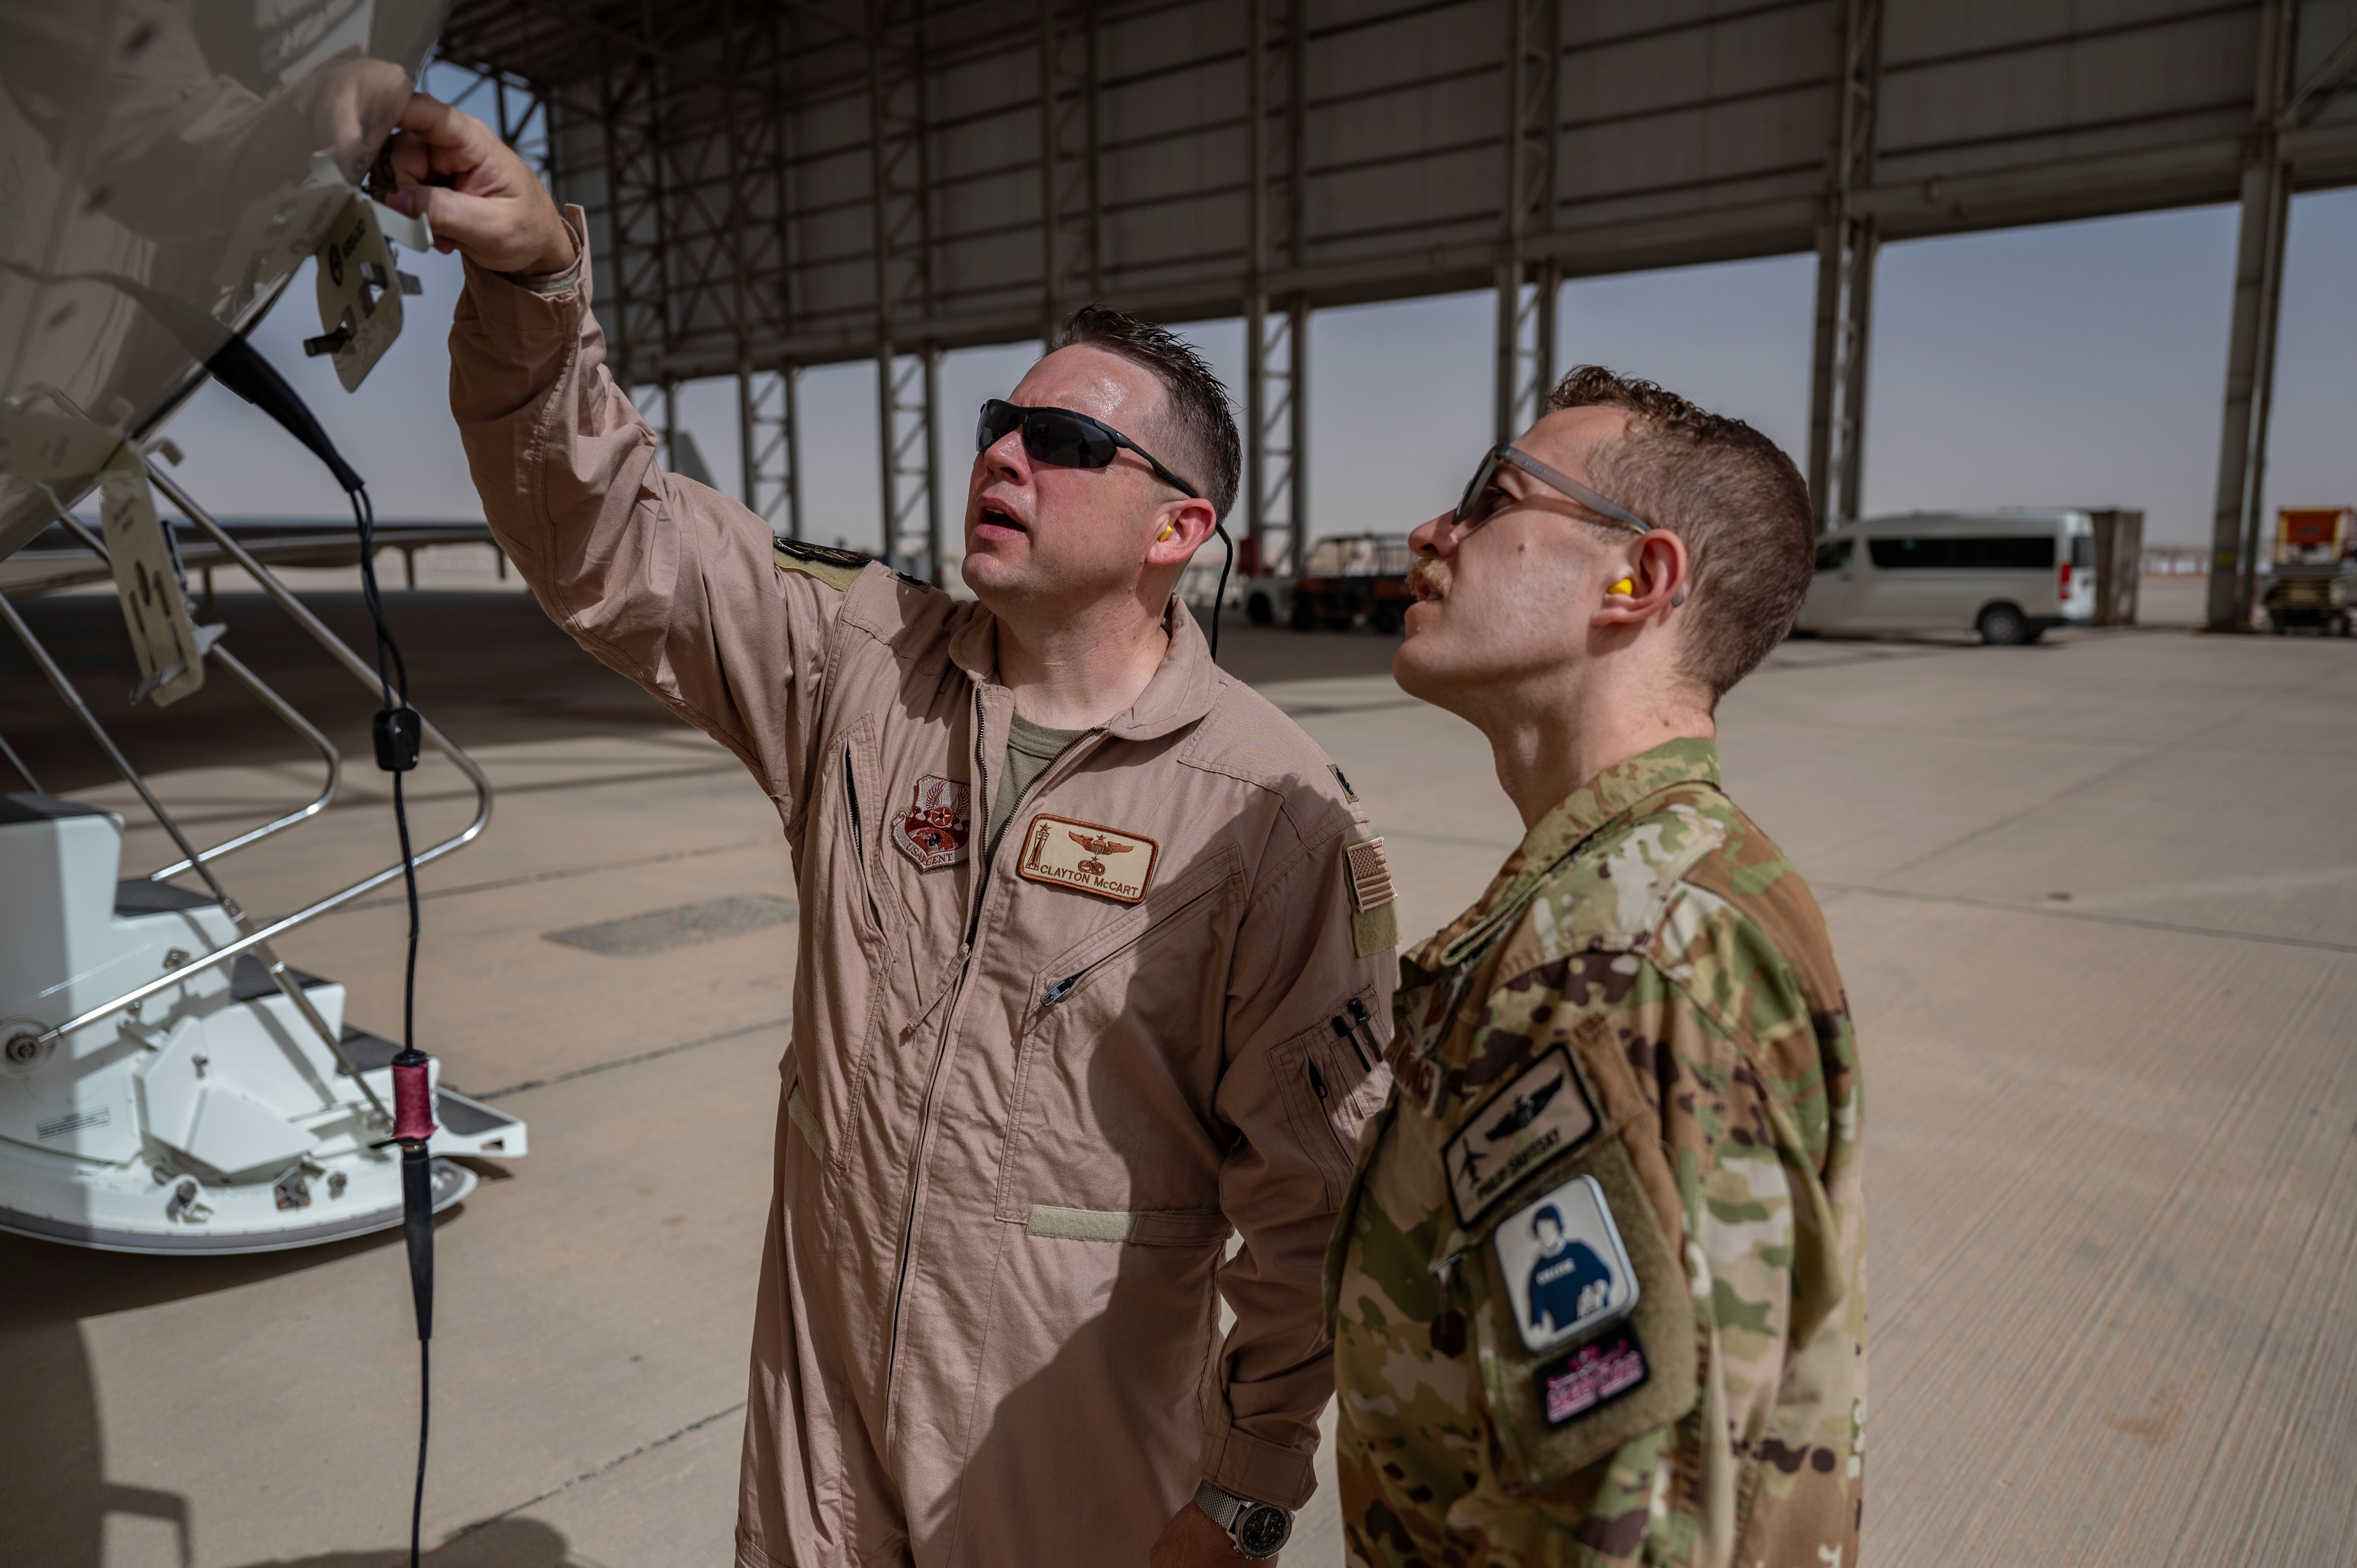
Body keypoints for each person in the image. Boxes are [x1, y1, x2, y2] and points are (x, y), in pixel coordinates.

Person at [384, 94, 1396, 1568]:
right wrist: (538, 285)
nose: (1002, 455)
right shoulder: (860, 666)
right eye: (1001, 424)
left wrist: (1246, 1490)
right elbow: (607, 538)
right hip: (821, 1418)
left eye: (1060, 441)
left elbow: (1318, 1205)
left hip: (1068, 1453)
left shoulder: (1271, 809)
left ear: (1180, 531)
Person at [1328, 368, 1865, 1566]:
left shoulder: (1626, 954)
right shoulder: (1653, 891)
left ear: (1640, 580)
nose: (1433, 534)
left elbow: (1630, 1523)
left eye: (1492, 498)